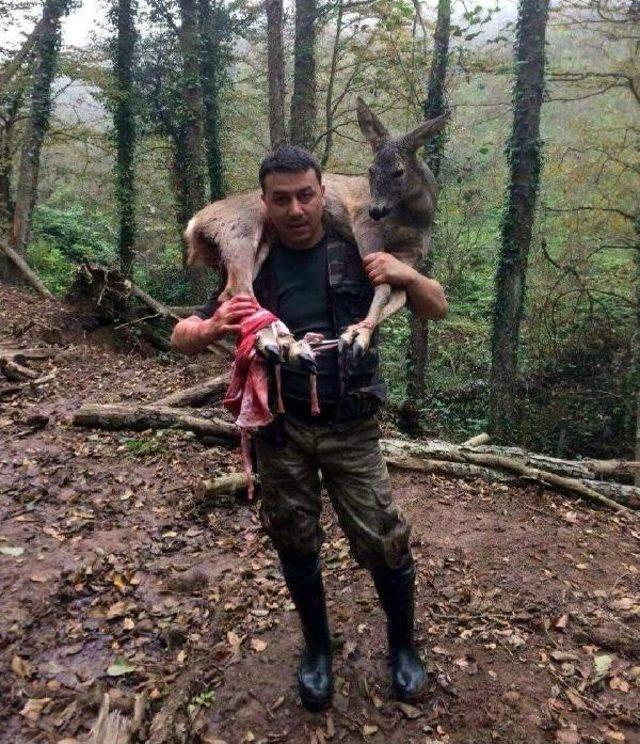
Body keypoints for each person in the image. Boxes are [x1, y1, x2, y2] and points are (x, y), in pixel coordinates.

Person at [171, 147, 448, 711]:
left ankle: (402, 649)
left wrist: (408, 274)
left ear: (323, 193)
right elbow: (186, 330)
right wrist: (202, 332)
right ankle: (317, 650)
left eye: (305, 195)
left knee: (383, 537)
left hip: (352, 426)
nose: (295, 209)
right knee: (293, 537)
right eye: (281, 199)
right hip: (280, 426)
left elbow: (436, 306)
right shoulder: (254, 260)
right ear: (265, 204)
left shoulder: (358, 244)